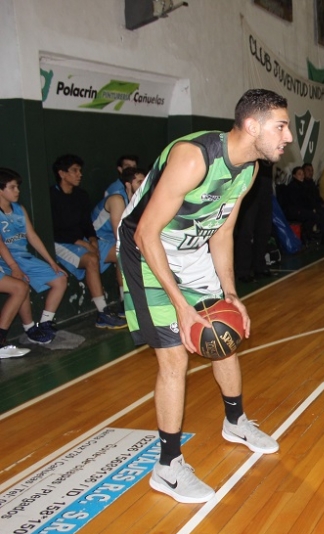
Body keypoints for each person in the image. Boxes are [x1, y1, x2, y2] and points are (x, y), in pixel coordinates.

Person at [117, 88, 292, 503]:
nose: (287, 138)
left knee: (222, 337)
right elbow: (146, 232)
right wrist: (182, 307)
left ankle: (236, 422)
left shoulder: (248, 170)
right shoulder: (194, 157)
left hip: (191, 249)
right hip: (147, 250)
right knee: (175, 355)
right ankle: (168, 466)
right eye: (281, 127)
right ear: (253, 126)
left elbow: (223, 232)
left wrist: (230, 294)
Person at [50, 154, 126, 329]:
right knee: (91, 259)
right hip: (62, 243)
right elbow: (55, 229)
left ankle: (125, 302)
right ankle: (102, 313)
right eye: (75, 171)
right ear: (62, 174)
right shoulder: (51, 196)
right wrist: (83, 244)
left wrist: (92, 239)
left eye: (80, 171)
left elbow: (86, 224)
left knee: (120, 253)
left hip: (82, 241)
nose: (79, 174)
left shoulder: (81, 195)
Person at [0, 168, 68, 344]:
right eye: (12, 187)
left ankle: (45, 323)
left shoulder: (19, 209)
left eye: (18, 187)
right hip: (5, 260)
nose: (18, 191)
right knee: (21, 284)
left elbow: (32, 235)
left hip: (24, 257)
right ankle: (29, 328)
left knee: (60, 278)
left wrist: (52, 262)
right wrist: (14, 267)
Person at [93, 160, 145, 308]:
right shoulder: (117, 198)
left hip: (112, 241)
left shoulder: (140, 198)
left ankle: (125, 300)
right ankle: (126, 302)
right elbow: (119, 234)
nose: (143, 185)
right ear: (128, 185)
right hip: (98, 240)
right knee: (126, 252)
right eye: (139, 182)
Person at [234, 159, 275, 283]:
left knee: (264, 230)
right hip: (250, 188)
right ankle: (243, 271)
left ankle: (259, 266)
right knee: (246, 232)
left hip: (266, 186)